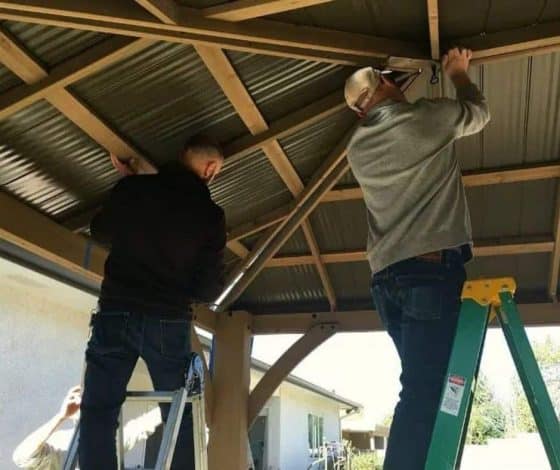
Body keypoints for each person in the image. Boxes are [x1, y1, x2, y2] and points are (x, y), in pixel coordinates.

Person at [344, 48, 490, 469]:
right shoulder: (425, 118)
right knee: (430, 388)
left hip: (387, 280)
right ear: (387, 84)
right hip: (427, 272)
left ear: (359, 111)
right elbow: (478, 112)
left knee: (425, 387)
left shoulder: (357, 147)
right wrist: (458, 73)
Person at [80, 135, 226, 470]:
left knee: (99, 410)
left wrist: (131, 195)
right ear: (210, 168)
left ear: (181, 155)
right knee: (180, 414)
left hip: (115, 311)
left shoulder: (132, 191)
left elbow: (100, 229)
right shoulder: (209, 216)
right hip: (167, 319)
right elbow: (207, 288)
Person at [12, 386, 161, 469]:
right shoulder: (60, 444)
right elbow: (21, 456)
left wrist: (177, 404)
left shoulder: (105, 442)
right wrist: (60, 416)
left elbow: (141, 426)